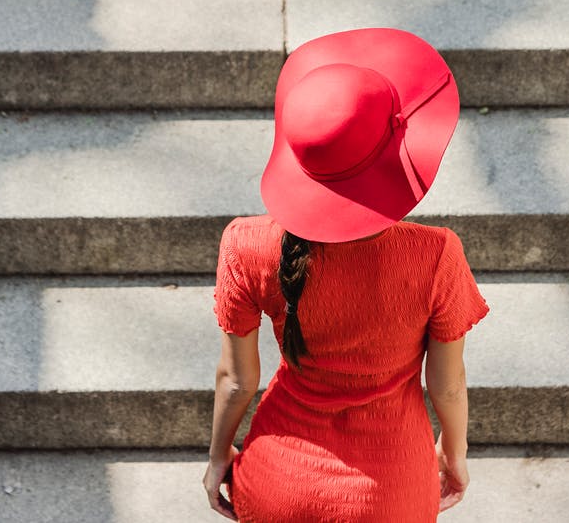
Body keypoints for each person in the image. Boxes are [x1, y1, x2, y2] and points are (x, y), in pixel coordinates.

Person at [204, 26, 489, 522]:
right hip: (390, 491)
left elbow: (235, 381)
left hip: (276, 484)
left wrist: (217, 459)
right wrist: (454, 454)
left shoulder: (246, 244)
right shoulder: (435, 254)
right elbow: (446, 384)